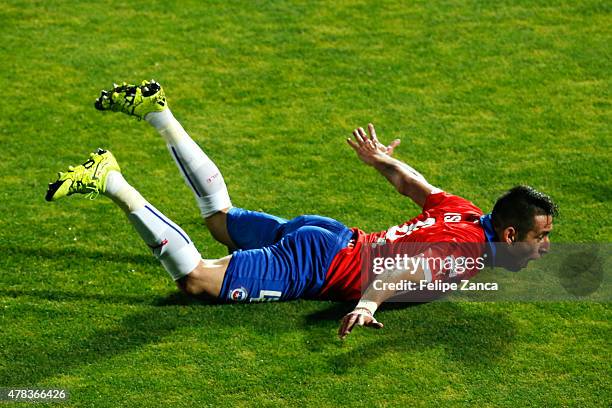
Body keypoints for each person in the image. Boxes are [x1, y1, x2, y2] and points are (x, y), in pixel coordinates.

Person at [46, 80, 558, 339]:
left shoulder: (466, 213)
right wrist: (367, 303)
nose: (546, 248)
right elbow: (406, 266)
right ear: (510, 235)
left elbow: (414, 185)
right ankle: (111, 180)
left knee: (218, 222)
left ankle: (159, 112)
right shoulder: (468, 249)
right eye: (541, 238)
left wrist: (380, 160)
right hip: (322, 264)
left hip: (330, 233)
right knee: (197, 280)